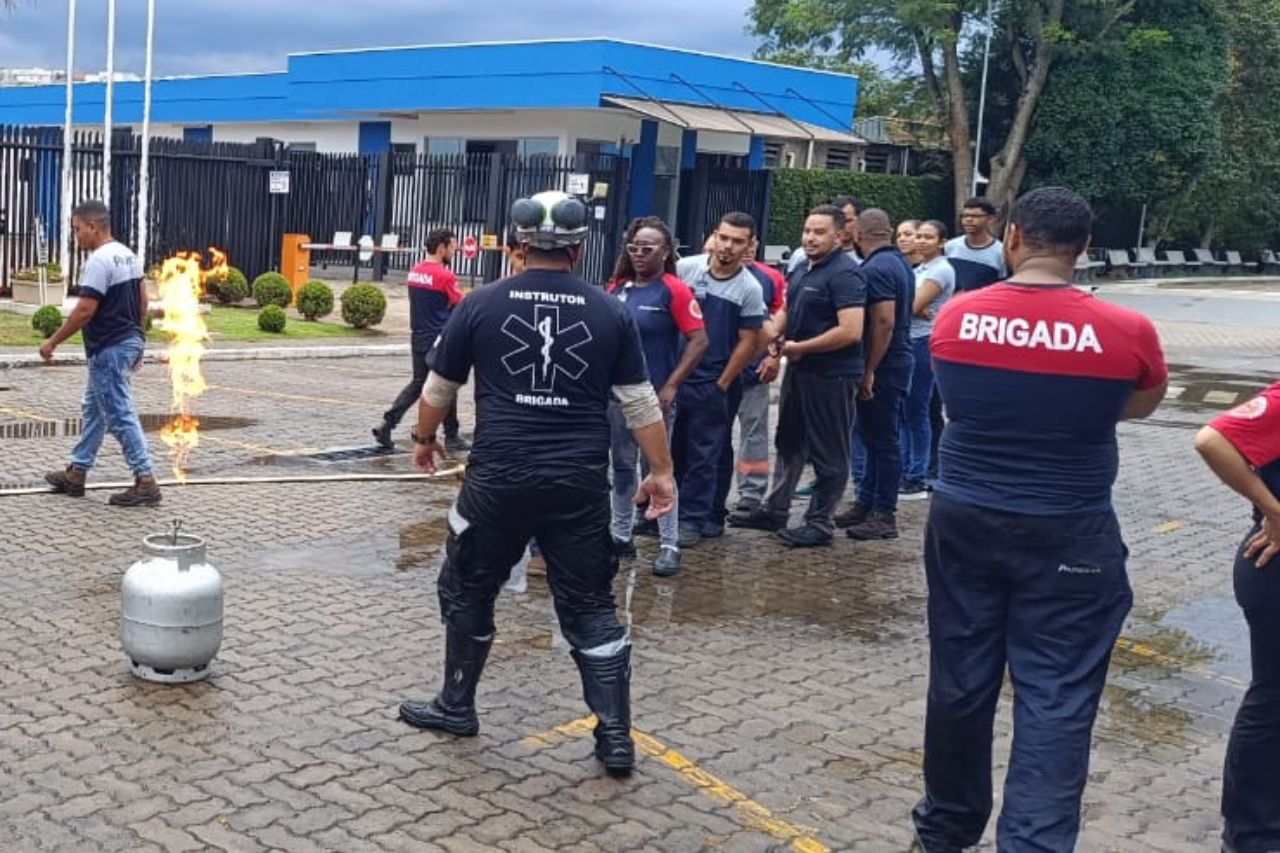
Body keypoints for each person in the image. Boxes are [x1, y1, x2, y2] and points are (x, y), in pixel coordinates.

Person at [911, 187, 1168, 852]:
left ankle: (944, 828)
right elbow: (1137, 407)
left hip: (964, 517)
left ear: (1014, 236)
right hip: (1070, 529)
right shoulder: (1127, 331)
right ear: (1083, 249)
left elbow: (955, 398)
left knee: (960, 679)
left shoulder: (957, 318)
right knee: (1057, 693)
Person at [398, 190, 675, 778]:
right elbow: (640, 402)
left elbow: (438, 389)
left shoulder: (480, 305)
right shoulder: (609, 310)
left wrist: (425, 440)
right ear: (579, 246)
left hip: (497, 480)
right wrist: (662, 472)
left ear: (517, 243)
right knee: (589, 605)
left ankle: (456, 705)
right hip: (577, 485)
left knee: (468, 588)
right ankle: (616, 736)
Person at [728, 205, 864, 547]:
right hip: (800, 371)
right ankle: (776, 509)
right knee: (789, 442)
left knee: (830, 453)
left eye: (819, 232)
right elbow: (787, 310)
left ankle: (819, 523)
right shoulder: (802, 267)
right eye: (807, 231)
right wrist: (767, 336)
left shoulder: (846, 274)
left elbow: (851, 331)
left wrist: (799, 347)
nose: (810, 238)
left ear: (839, 235)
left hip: (832, 375)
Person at [1195, 390, 1280, 852]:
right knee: (1274, 700)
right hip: (1274, 564)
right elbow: (1213, 440)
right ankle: (1252, 834)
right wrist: (1274, 509)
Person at [41, 200, 161, 507]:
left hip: (109, 347)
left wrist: (53, 341)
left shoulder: (98, 260)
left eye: (78, 229)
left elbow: (84, 310)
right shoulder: (128, 255)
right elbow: (142, 302)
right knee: (94, 409)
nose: (76, 236)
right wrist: (139, 340)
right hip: (125, 341)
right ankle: (77, 472)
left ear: (93, 227)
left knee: (119, 413)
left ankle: (145, 480)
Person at [606, 217, 708, 577]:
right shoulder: (617, 287)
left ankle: (668, 544)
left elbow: (699, 340)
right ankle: (620, 535)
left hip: (654, 398)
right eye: (633, 248)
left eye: (647, 248)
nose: (639, 254)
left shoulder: (674, 290)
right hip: (617, 398)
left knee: (659, 469)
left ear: (665, 252)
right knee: (620, 467)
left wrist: (672, 386)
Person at [672, 212, 766, 548]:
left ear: (750, 245)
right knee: (671, 449)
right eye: (723, 238)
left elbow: (750, 340)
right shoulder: (686, 270)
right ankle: (663, 512)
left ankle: (694, 519)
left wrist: (723, 382)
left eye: (737, 241)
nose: (728, 246)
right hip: (678, 377)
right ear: (714, 235)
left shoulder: (750, 288)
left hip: (713, 382)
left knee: (705, 454)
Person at [840, 210, 915, 541]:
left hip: (885, 365)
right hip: (893, 361)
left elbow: (884, 322)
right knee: (872, 437)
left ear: (858, 233)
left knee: (883, 440)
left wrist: (869, 370)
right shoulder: (898, 262)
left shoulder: (878, 268)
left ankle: (884, 513)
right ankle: (867, 502)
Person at [373, 229, 470, 452]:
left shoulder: (415, 272)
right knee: (446, 384)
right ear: (441, 248)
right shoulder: (445, 276)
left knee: (418, 383)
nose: (454, 252)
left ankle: (387, 424)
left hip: (418, 335)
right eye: (452, 247)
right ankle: (452, 436)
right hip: (439, 337)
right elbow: (460, 305)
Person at [898, 221, 955, 500]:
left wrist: (912, 307)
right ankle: (908, 468)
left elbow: (909, 306)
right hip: (912, 340)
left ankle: (916, 476)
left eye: (928, 237)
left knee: (916, 411)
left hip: (923, 344)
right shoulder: (920, 269)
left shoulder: (941, 269)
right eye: (918, 236)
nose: (920, 241)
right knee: (906, 411)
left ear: (941, 242)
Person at [730, 241, 788, 514]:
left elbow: (779, 321)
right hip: (717, 369)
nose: (748, 249)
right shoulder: (702, 273)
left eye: (752, 243)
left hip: (753, 370)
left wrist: (772, 355)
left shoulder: (770, 278)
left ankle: (751, 492)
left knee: (754, 432)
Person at [788, 194, 862, 275]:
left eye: (848, 221)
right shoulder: (801, 255)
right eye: (807, 231)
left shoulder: (864, 257)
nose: (843, 226)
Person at [945, 197, 1006, 292]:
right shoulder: (950, 246)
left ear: (990, 219)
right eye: (965, 216)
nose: (968, 219)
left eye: (975, 216)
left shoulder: (1001, 252)